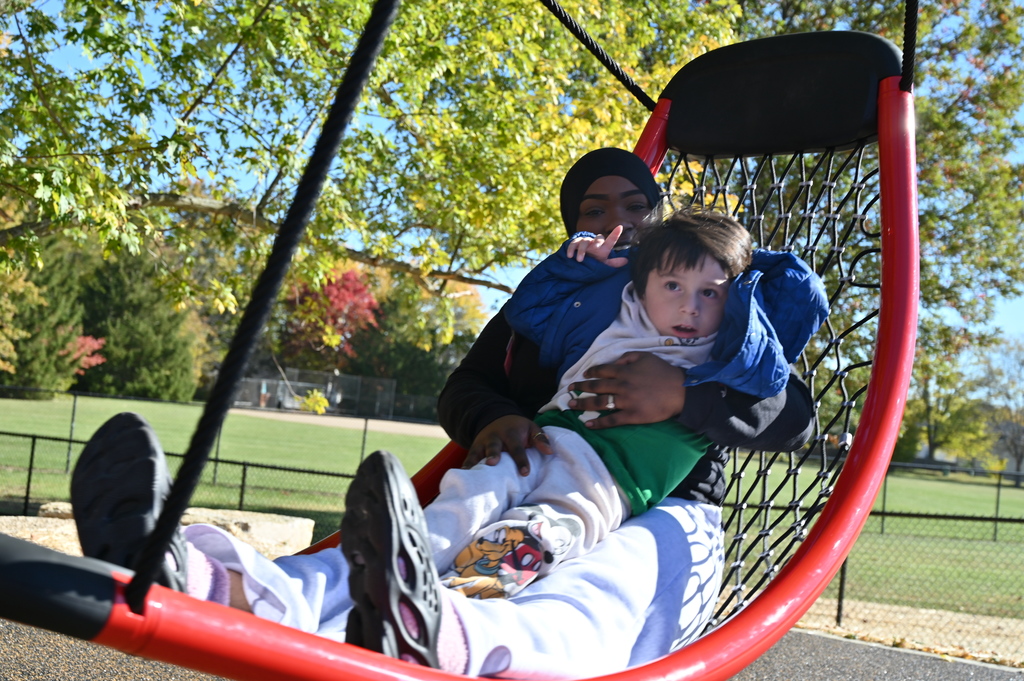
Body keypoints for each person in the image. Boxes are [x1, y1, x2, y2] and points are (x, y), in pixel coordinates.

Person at [71, 148, 818, 679]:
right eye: (596, 212)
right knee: (419, 539)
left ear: (662, 225)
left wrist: (681, 395)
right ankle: (208, 579)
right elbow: (463, 387)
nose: (617, 224)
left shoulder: (716, 325)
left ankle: (451, 634)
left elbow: (793, 415)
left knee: (578, 583)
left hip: (656, 507)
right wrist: (495, 418)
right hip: (534, 459)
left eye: (636, 207)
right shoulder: (564, 304)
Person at [374, 208, 825, 603]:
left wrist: (683, 391)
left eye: (709, 293)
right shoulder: (621, 306)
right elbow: (528, 311)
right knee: (478, 488)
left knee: (561, 520)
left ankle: (478, 585)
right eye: (673, 286)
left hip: (614, 474)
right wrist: (578, 266)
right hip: (547, 438)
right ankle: (405, 555)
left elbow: (789, 404)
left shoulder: (725, 347)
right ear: (641, 282)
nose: (690, 307)